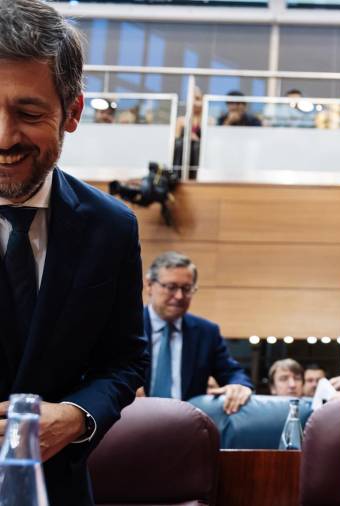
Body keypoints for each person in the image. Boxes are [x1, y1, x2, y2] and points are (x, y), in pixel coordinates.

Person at [0, 1, 149, 503]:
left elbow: (126, 361)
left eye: (28, 112)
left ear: (74, 112)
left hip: (56, 489)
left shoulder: (112, 227)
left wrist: (77, 417)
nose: (3, 136)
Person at [141, 251, 253, 414]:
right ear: (149, 285)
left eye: (186, 289)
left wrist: (240, 386)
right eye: (171, 287)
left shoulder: (206, 333)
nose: (179, 296)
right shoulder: (125, 328)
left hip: (187, 430)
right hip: (133, 426)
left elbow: (232, 373)